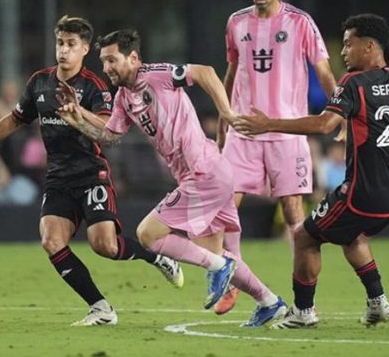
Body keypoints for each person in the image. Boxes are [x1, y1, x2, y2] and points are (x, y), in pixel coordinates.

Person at [234, 14, 389, 328]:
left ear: (369, 46)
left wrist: (268, 124)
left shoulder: (353, 83)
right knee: (352, 234)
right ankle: (378, 303)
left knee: (303, 237)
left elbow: (324, 124)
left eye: (348, 44)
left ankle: (303, 312)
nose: (343, 52)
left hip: (362, 194)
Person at [56, 29, 287, 327]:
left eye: (112, 60)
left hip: (203, 172)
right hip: (206, 174)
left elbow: (205, 72)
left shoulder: (156, 74)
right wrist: (78, 116)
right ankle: (270, 302)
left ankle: (220, 267)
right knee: (215, 252)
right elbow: (110, 135)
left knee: (148, 234)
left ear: (133, 58)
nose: (106, 67)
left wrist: (227, 113)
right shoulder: (124, 97)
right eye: (103, 61)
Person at [0, 16, 182, 327]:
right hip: (58, 177)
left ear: (85, 49)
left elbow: (109, 128)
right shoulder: (40, 82)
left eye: (71, 44)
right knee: (51, 241)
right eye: (60, 43)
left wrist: (78, 112)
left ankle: (158, 258)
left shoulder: (95, 86)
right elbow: (16, 118)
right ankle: (101, 308)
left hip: (91, 174)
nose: (63, 50)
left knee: (105, 245)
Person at [215, 0, 338, 315]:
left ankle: (304, 299)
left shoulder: (300, 22)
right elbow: (231, 72)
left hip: (286, 133)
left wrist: (342, 110)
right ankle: (233, 280)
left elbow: (324, 72)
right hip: (243, 131)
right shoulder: (236, 22)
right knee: (223, 206)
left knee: (294, 213)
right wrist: (223, 118)